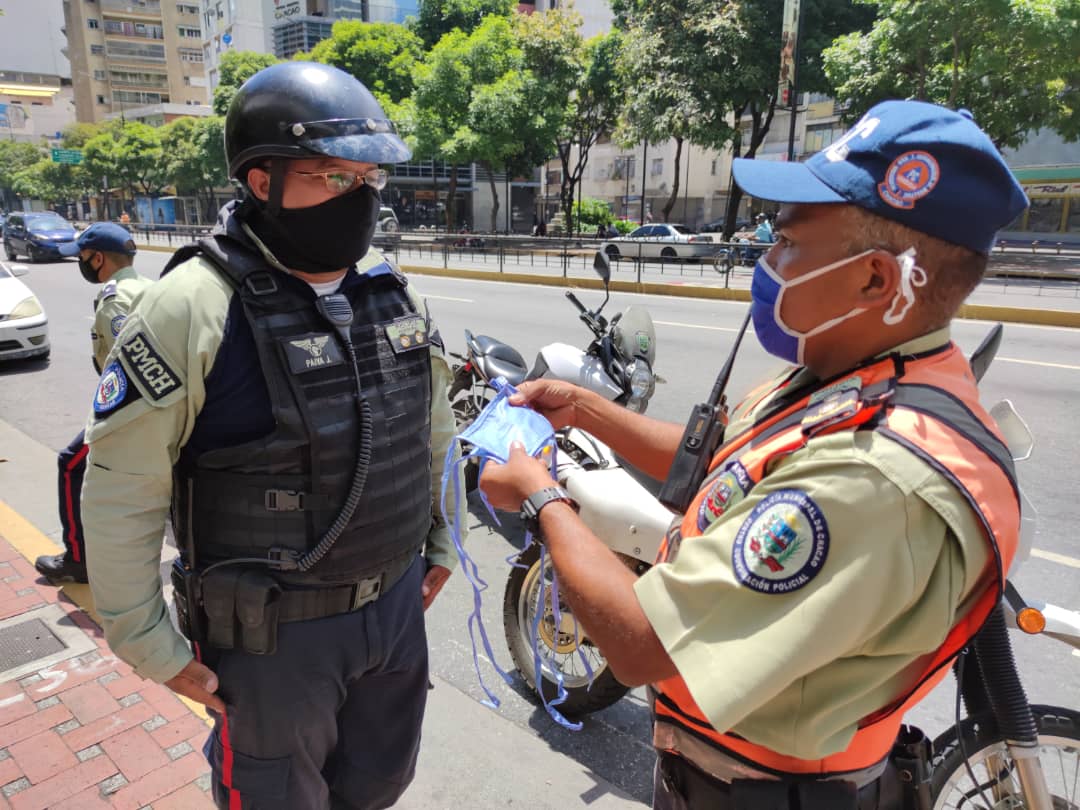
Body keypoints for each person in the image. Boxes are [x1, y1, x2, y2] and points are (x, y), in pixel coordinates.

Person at [479, 100, 1028, 810]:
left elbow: (643, 646)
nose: (764, 261)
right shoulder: (851, 370)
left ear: (875, 282)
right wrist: (583, 410)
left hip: (773, 793)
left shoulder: (873, 476)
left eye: (788, 244)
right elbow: (729, 458)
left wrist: (539, 491)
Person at [80, 62, 466, 810]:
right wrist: (146, 643)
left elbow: (433, 426)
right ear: (263, 182)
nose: (359, 196)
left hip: (393, 614)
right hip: (271, 641)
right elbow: (123, 486)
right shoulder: (190, 305)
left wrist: (444, 539)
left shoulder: (390, 289)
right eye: (330, 176)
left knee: (378, 786)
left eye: (368, 178)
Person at [34, 223, 149, 584]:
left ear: (98, 258)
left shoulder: (115, 300)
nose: (81, 265)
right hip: (161, 404)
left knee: (70, 465)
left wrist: (110, 422)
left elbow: (129, 367)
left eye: (83, 258)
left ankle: (78, 560)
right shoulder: (148, 287)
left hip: (133, 410)